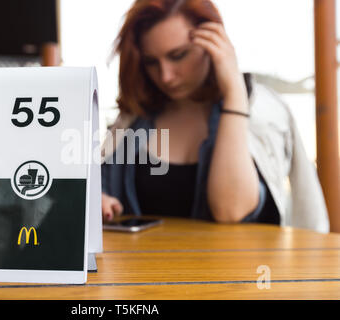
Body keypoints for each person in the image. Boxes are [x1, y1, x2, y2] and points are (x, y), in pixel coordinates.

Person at [101, 0, 330, 233]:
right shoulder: (133, 120)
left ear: (215, 42)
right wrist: (97, 202)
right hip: (143, 268)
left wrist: (234, 92)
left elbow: (231, 211)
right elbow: (98, 196)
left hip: (237, 269)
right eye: (152, 62)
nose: (166, 76)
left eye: (178, 55)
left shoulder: (261, 112)